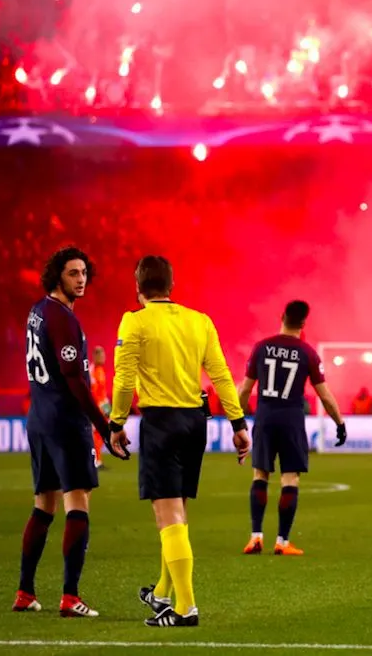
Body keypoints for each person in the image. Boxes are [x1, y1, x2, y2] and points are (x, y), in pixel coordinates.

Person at [109, 256, 249, 628]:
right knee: (179, 513)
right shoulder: (199, 321)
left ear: (138, 287)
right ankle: (161, 593)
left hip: (162, 422)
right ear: (171, 286)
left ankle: (186, 609)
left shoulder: (134, 321)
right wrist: (238, 422)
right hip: (194, 423)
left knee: (167, 515)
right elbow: (220, 373)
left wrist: (116, 422)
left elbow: (123, 380)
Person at [13, 246, 127, 617]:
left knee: (43, 505)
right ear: (56, 276)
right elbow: (76, 381)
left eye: (83, 274)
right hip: (64, 422)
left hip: (39, 420)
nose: (80, 280)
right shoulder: (63, 319)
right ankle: (70, 596)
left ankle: (25, 592)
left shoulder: (37, 311)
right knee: (77, 502)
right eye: (72, 273)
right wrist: (105, 426)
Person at [237, 300, 347, 556]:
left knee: (260, 474)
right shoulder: (307, 352)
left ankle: (255, 537)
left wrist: (237, 419)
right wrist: (339, 423)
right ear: (304, 323)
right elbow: (325, 395)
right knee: (290, 478)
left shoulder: (261, 347)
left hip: (265, 417)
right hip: (291, 420)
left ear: (282, 316)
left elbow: (244, 389)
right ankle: (282, 541)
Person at [89, 346, 110, 469]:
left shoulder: (100, 371)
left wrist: (108, 410)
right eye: (100, 355)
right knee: (95, 434)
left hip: (102, 409)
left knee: (100, 434)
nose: (103, 357)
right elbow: (93, 394)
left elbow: (103, 394)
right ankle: (95, 460)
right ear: (95, 356)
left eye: (103, 355)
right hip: (95, 409)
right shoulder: (92, 372)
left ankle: (98, 460)